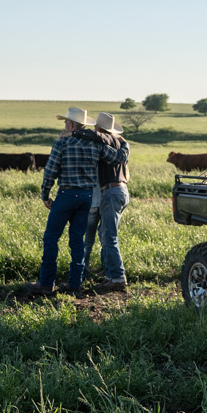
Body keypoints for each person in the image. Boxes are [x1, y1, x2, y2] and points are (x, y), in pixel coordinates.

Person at [25, 107, 130, 295]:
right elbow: (119, 158)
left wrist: (45, 196)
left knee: (51, 238)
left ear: (71, 124)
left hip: (66, 194)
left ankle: (46, 283)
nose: (65, 125)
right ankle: (75, 283)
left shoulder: (62, 143)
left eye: (66, 122)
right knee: (77, 241)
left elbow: (50, 172)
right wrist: (124, 144)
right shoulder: (96, 145)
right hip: (86, 197)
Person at [75, 112, 129, 292]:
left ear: (98, 129)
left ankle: (117, 276)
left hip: (109, 191)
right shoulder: (123, 143)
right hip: (121, 191)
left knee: (107, 236)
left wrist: (75, 134)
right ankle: (109, 271)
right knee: (106, 233)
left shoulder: (100, 143)